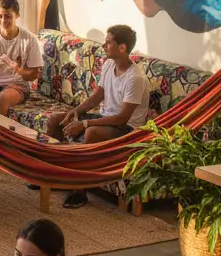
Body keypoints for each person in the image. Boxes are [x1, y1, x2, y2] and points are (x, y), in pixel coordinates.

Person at [47, 25, 150, 209]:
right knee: (55, 119)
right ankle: (52, 177)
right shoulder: (110, 64)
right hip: (107, 117)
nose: (104, 45)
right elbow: (99, 94)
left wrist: (84, 123)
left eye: (109, 42)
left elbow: (121, 119)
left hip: (129, 130)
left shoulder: (136, 78)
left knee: (91, 133)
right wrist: (76, 112)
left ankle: (80, 191)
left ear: (122, 48)